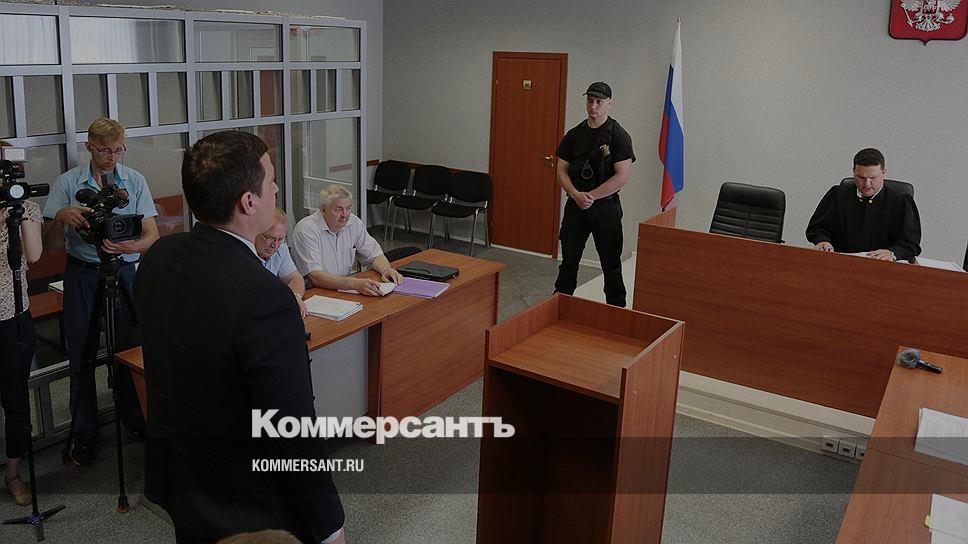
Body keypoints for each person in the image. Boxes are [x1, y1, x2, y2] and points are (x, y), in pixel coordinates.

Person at [135, 131, 345, 544]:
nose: (276, 189)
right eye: (271, 181)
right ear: (248, 202)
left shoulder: (159, 257)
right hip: (246, 503)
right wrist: (328, 525)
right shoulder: (265, 297)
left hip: (181, 480)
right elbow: (290, 428)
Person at [42, 118, 158, 465]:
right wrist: (60, 217)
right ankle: (84, 433)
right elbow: (49, 246)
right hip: (81, 273)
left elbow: (152, 235)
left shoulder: (134, 180)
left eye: (119, 150)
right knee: (81, 355)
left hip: (123, 271)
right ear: (89, 146)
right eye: (106, 150)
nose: (112, 157)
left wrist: (129, 247)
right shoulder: (67, 183)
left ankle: (135, 419)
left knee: (129, 350)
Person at [553, 82, 635, 307]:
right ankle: (560, 306)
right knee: (569, 261)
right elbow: (560, 170)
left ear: (609, 104)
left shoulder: (619, 136)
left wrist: (590, 196)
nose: (593, 106)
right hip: (576, 205)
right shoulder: (574, 135)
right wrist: (576, 194)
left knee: (611, 265)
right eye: (590, 100)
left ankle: (616, 310)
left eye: (599, 101)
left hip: (605, 208)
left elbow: (622, 176)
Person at [0, 141, 44, 506]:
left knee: (15, 400)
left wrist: (20, 211)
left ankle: (13, 472)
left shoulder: (25, 206)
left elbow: (34, 255)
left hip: (14, 317)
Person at [806, 148, 922, 261]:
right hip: (840, 262)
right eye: (861, 177)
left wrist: (892, 253)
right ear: (853, 172)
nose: (867, 184)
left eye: (873, 178)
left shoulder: (901, 202)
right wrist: (822, 241)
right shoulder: (837, 195)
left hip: (882, 265)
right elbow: (818, 228)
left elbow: (911, 244)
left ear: (883, 173)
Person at [291, 184, 403, 295]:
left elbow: (375, 255)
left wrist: (386, 270)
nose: (345, 215)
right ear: (323, 210)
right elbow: (315, 276)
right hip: (315, 291)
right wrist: (353, 283)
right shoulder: (306, 230)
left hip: (344, 288)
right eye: (338, 209)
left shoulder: (354, 222)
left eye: (348, 208)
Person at [256, 208, 307, 318]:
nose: (275, 245)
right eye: (270, 238)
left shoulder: (281, 248)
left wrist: (294, 297)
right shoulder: (242, 253)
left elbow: (295, 279)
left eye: (280, 239)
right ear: (255, 231)